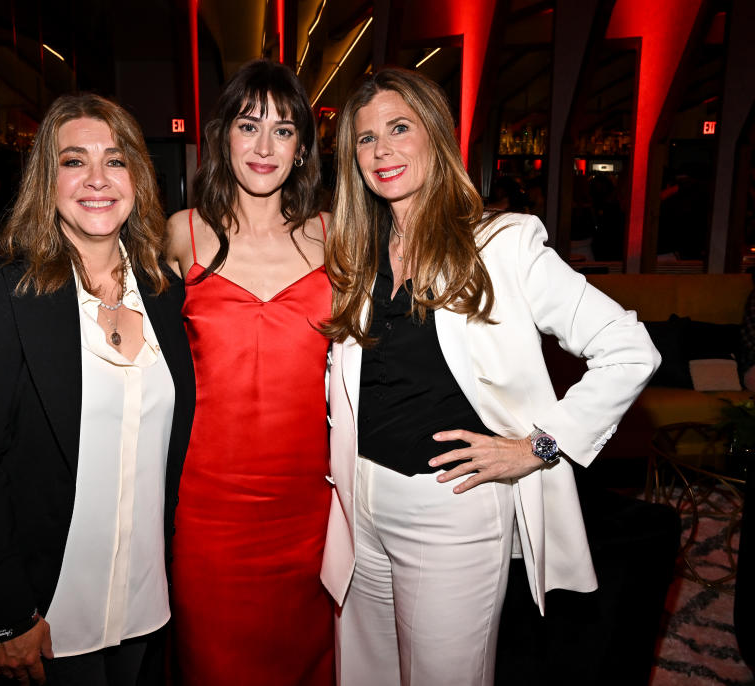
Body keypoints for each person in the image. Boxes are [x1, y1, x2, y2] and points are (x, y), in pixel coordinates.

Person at [319, 67, 660, 686]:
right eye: (366, 139)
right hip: (358, 503)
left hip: (449, 507)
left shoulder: (503, 244)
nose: (383, 150)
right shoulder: (358, 254)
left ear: (436, 137)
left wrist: (538, 447)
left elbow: (630, 349)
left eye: (400, 128)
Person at [0, 93, 195, 686]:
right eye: (74, 161)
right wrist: (4, 615)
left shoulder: (163, 292)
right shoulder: (3, 293)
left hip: (147, 600)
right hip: (46, 614)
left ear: (138, 178)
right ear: (46, 181)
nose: (98, 179)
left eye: (116, 160)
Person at [164, 59, 334, 685]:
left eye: (284, 130)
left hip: (311, 511)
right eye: (249, 125)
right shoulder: (178, 236)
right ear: (222, 136)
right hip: (210, 515)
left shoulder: (334, 236)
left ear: (302, 149)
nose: (264, 146)